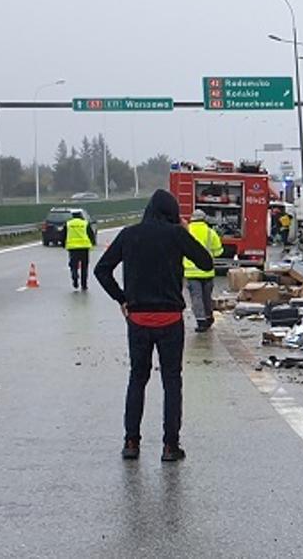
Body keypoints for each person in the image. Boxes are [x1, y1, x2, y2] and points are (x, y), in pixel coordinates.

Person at [95, 189, 214, 463]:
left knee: (137, 378)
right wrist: (183, 230)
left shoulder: (129, 234)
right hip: (170, 319)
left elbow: (102, 270)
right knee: (172, 381)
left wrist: (122, 298)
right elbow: (206, 262)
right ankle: (170, 446)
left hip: (138, 319)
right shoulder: (176, 235)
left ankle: (131, 442)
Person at [182, 209, 223, 332]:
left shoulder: (186, 231)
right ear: (205, 219)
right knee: (207, 297)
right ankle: (209, 317)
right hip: (208, 271)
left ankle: (201, 322)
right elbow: (218, 251)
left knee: (196, 298)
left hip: (191, 272)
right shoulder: (210, 232)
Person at [64, 209, 97, 291]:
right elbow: (91, 234)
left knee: (73, 265)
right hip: (84, 248)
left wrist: (63, 244)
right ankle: (84, 284)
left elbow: (64, 235)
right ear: (81, 215)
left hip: (73, 248)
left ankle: (74, 276)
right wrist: (93, 243)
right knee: (84, 267)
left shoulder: (68, 224)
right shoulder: (85, 223)